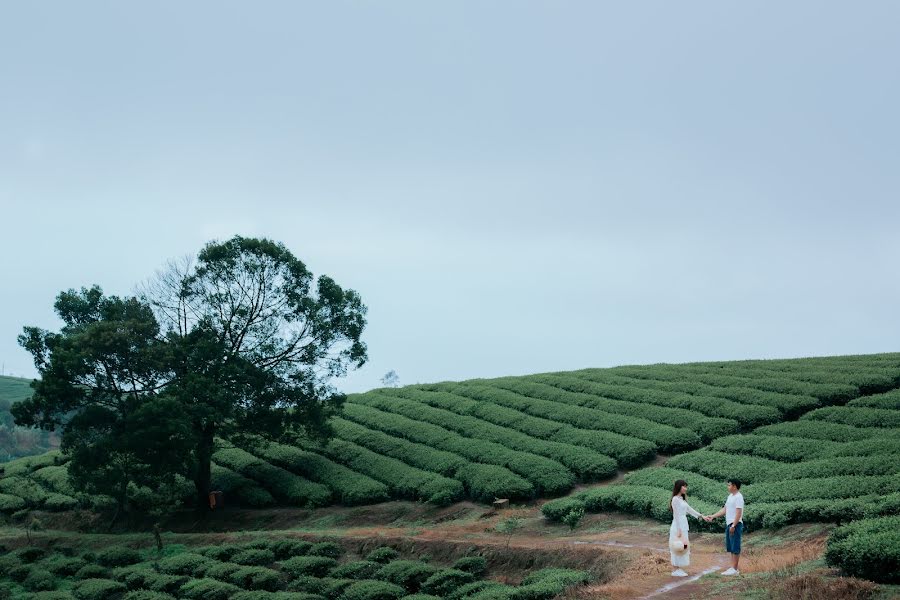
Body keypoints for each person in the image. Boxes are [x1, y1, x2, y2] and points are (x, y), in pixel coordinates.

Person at [704, 478, 744, 576]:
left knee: (735, 547)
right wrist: (713, 516)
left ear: (734, 486)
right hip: (729, 524)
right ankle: (732, 568)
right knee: (731, 547)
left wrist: (734, 525)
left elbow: (739, 513)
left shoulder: (739, 497)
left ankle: (735, 569)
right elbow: (724, 510)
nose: (728, 487)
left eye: (729, 485)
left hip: (735, 524)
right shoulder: (730, 496)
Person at [669, 479, 704, 577]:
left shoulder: (682, 499)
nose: (685, 488)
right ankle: (675, 569)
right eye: (684, 486)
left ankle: (679, 568)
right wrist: (679, 529)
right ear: (678, 487)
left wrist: (701, 516)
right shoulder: (675, 499)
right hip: (678, 525)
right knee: (677, 546)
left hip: (683, 525)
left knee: (683, 546)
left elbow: (690, 510)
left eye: (686, 486)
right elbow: (675, 515)